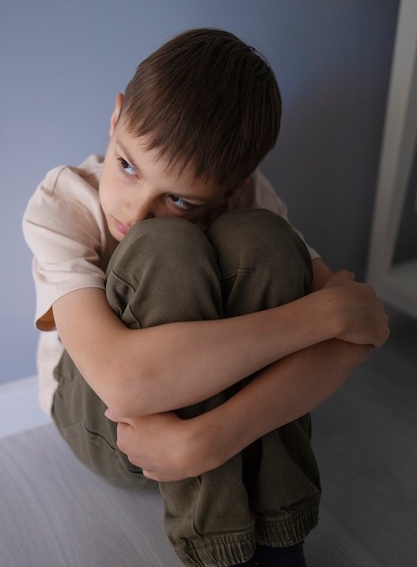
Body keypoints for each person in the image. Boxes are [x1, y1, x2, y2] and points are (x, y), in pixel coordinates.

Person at [23, 28, 389, 567]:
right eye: (127, 165)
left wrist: (212, 439)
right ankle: (220, 553)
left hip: (203, 430)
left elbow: (366, 328)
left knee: (264, 242)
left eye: (179, 198)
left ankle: (280, 545)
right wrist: (322, 313)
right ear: (116, 117)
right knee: (164, 247)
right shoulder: (64, 202)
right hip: (105, 419)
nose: (135, 210)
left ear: (234, 186)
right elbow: (122, 381)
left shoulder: (249, 198)